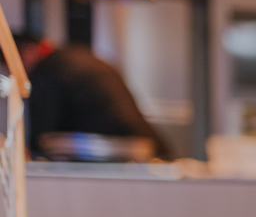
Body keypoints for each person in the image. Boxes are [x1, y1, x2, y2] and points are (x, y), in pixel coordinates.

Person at [13, 33, 168, 158]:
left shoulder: (47, 68)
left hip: (117, 148)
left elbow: (42, 130)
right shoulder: (71, 56)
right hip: (141, 140)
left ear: (27, 51)